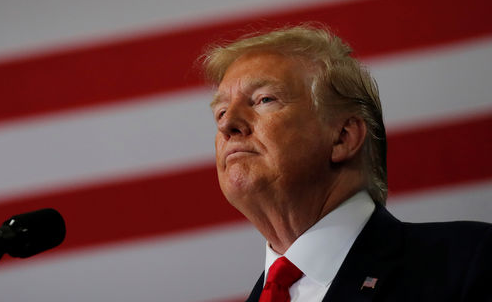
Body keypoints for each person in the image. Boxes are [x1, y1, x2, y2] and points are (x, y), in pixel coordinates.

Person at [201, 24, 492, 302]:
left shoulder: (469, 262)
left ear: (343, 137)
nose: (228, 123)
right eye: (221, 111)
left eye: (264, 99)